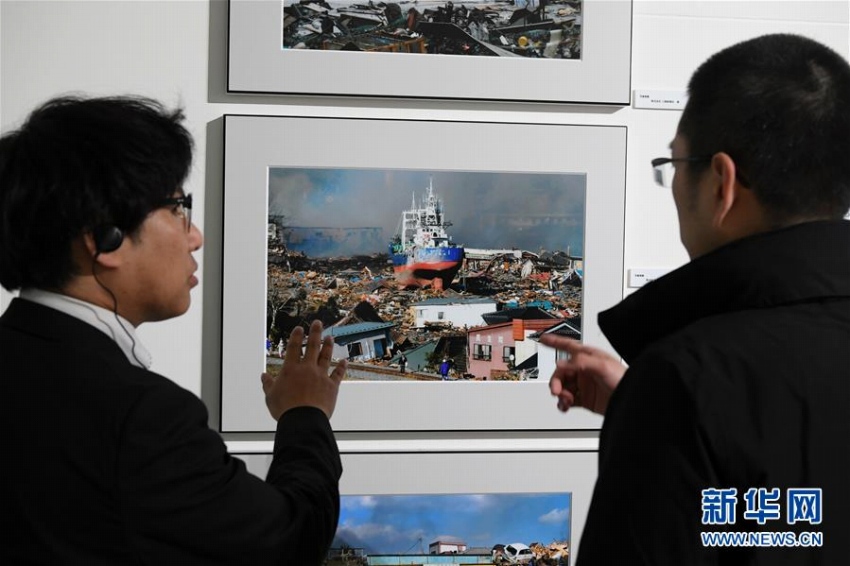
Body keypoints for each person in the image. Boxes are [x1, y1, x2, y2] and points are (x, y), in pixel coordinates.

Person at [542, 34, 850, 565]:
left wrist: (670, 412)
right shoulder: (689, 388)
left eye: (677, 163)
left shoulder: (687, 379)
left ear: (721, 182)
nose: (676, 184)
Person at [0, 96, 347, 564]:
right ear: (106, 238)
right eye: (178, 208)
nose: (196, 236)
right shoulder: (139, 416)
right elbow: (290, 540)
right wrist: (305, 413)